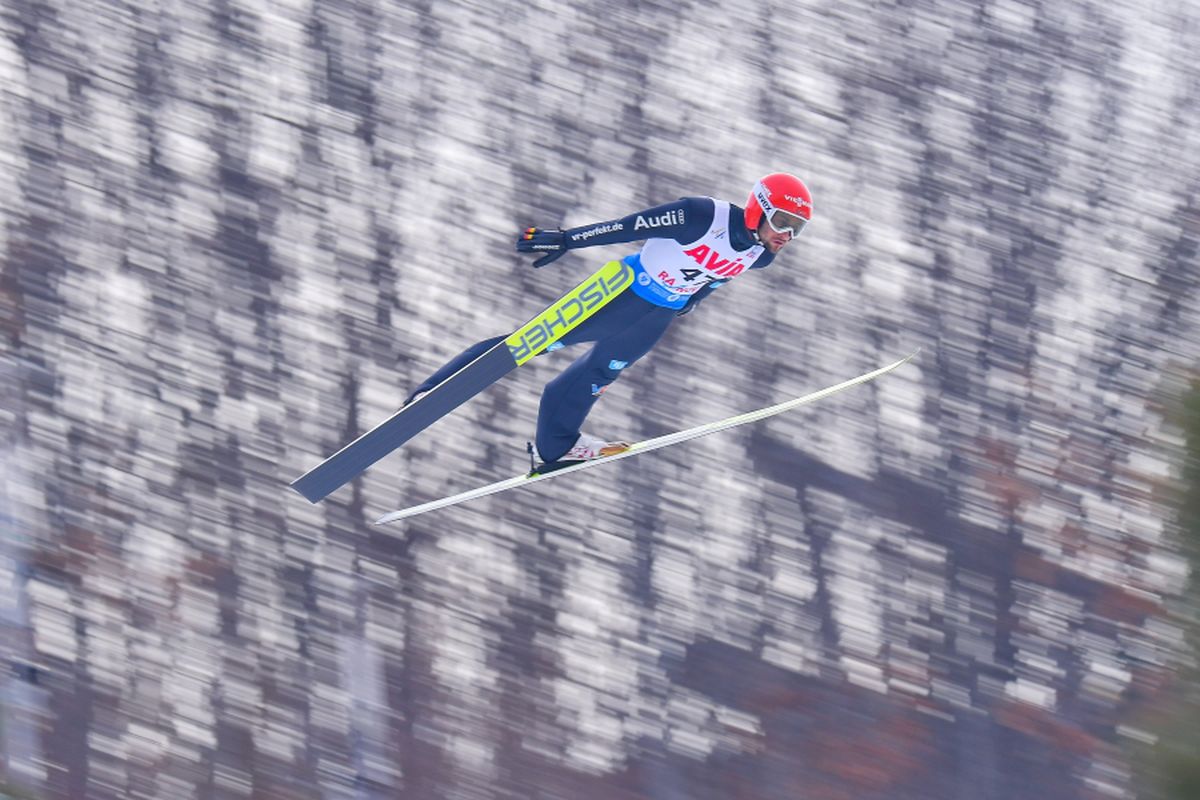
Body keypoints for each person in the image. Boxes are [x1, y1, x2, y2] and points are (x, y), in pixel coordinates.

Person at [405, 173, 813, 467]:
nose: (787, 236)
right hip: (623, 289)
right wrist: (568, 239)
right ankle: (434, 390)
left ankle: (555, 448)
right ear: (759, 208)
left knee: (599, 374)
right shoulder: (701, 216)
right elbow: (626, 227)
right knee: (529, 342)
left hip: (657, 315)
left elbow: (716, 277)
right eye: (783, 222)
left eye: (797, 229)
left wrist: (693, 301)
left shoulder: (760, 256)